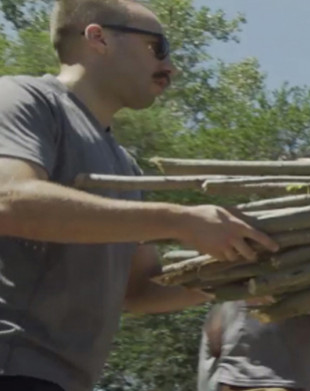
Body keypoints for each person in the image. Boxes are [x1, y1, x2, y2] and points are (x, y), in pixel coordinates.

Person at [0, 1, 280, 390]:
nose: (171, 68)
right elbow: (9, 200)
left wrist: (243, 274)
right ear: (97, 38)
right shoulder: (24, 99)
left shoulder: (125, 165)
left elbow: (139, 289)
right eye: (158, 47)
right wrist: (179, 220)